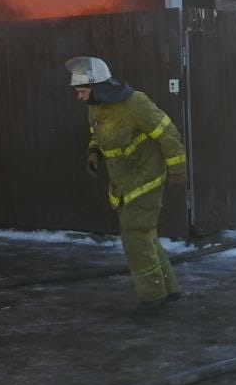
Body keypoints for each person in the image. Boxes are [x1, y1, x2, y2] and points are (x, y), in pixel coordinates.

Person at [66, 56, 187, 311]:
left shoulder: (135, 103)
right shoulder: (95, 107)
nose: (79, 97)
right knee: (145, 235)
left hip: (146, 178)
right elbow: (96, 133)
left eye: (82, 90)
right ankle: (169, 289)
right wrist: (94, 152)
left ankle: (153, 296)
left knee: (135, 237)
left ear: (98, 87)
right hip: (123, 184)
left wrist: (177, 169)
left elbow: (168, 133)